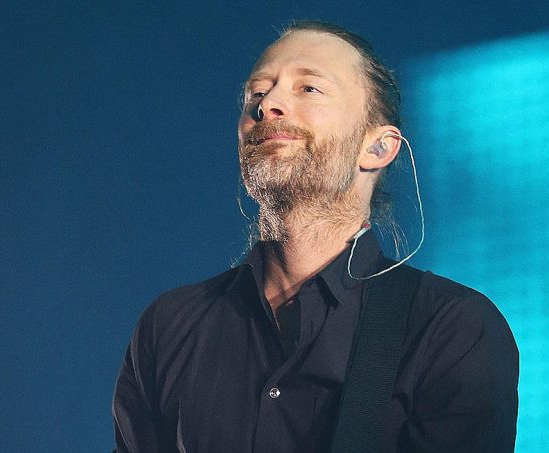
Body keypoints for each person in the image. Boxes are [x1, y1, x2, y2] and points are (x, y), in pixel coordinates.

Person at [112, 20, 519, 452]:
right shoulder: (169, 326)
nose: (268, 105)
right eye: (256, 93)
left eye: (309, 88)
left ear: (378, 148)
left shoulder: (450, 328)